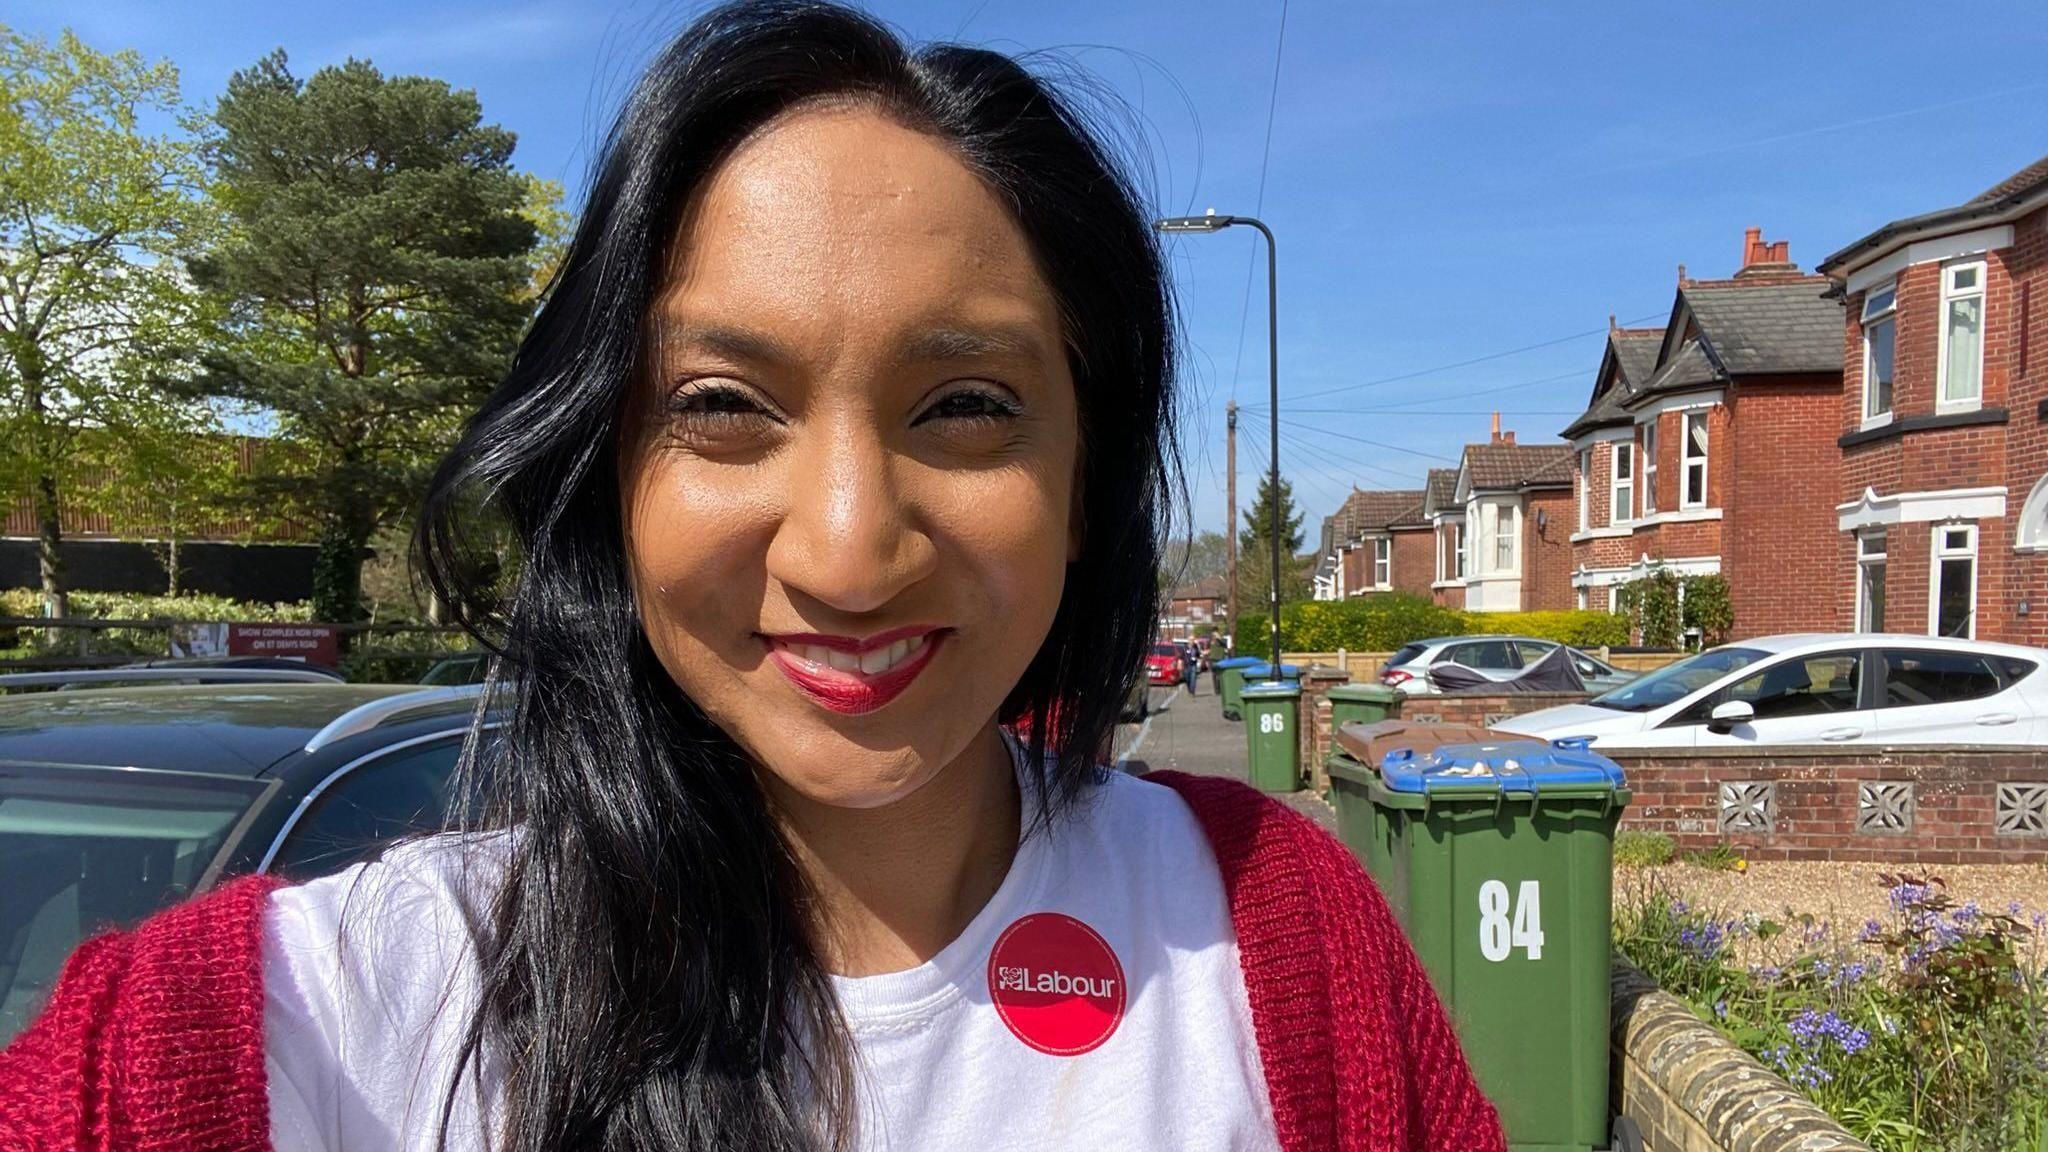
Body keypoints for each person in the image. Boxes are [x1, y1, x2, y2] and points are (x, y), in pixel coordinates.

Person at [0, 4, 1504, 1150]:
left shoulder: (1272, 932)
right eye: (723, 407)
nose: (849, 548)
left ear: (1084, 477)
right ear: (606, 466)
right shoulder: (301, 1029)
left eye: (966, 405)